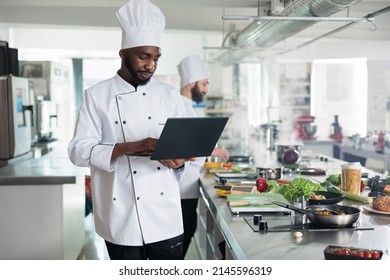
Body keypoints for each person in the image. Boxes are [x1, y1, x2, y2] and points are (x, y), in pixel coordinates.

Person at [68, 0, 194, 260]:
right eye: (143, 56)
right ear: (123, 52)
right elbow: (78, 152)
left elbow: (188, 147)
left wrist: (179, 161)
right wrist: (130, 147)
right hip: (120, 215)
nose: (150, 65)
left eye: (156, 59)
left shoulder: (170, 97)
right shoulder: (97, 96)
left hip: (164, 215)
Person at [177, 54, 230, 258]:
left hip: (187, 184)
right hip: (180, 187)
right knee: (183, 234)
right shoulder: (181, 106)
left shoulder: (187, 106)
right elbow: (182, 145)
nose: (207, 89)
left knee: (185, 233)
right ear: (192, 83)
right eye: (204, 83)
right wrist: (211, 150)